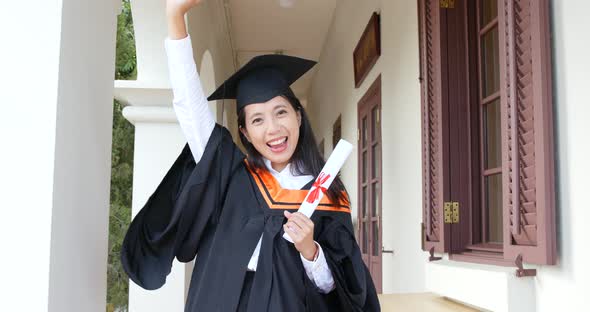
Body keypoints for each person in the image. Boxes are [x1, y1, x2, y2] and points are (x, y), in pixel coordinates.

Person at [121, 0, 380, 311]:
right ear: (244, 132)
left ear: (298, 116)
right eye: (257, 119)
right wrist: (175, 17)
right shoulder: (231, 175)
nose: (272, 129)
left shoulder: (328, 195)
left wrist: (310, 249)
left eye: (281, 112)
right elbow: (189, 108)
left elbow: (341, 289)